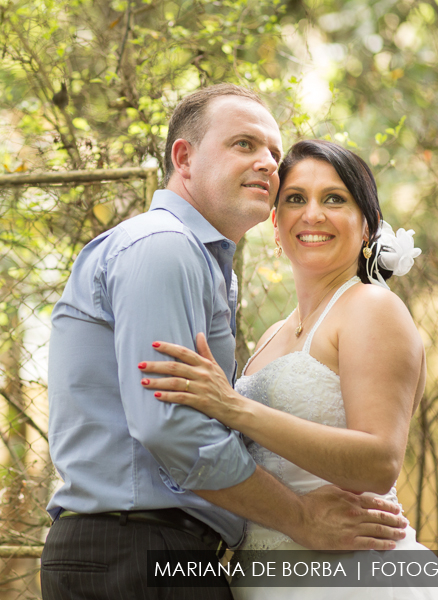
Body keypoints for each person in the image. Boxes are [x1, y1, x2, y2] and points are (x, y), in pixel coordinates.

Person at [41, 86, 409, 600]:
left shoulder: (212, 269)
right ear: (184, 158)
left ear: (369, 225)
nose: (266, 163)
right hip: (139, 552)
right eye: (244, 144)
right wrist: (299, 517)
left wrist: (235, 409)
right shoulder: (165, 248)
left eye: (274, 154)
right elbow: (171, 428)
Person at [138, 139, 438, 598]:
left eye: (334, 199)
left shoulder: (371, 307)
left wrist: (233, 406)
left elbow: (379, 463)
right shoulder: (273, 334)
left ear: (369, 226)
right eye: (295, 199)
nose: (312, 214)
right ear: (275, 225)